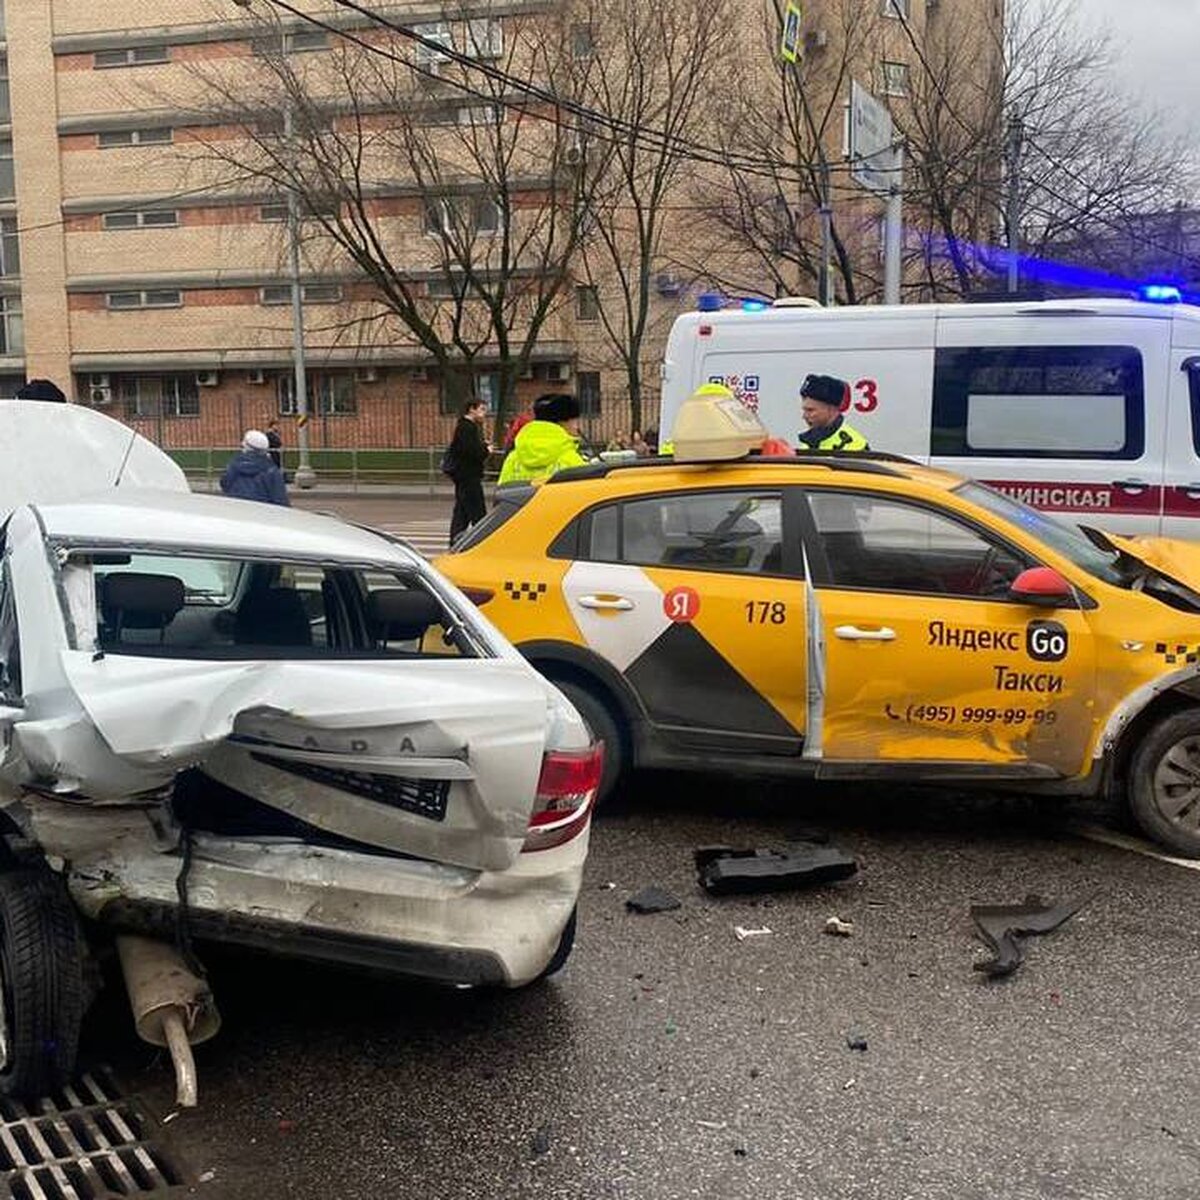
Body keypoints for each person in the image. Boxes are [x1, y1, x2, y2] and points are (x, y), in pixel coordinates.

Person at [497, 392, 587, 485]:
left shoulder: (514, 458)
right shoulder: (570, 461)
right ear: (564, 422)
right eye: (575, 421)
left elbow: (502, 492)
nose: (577, 427)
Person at [446, 399, 491, 542]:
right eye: (482, 409)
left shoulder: (465, 426)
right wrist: (486, 450)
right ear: (472, 409)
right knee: (477, 511)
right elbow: (470, 451)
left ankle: (456, 539)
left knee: (462, 511)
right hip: (468, 475)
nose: (484, 413)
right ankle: (482, 540)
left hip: (463, 475)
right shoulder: (468, 427)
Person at [796, 374, 869, 451]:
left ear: (832, 409)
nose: (804, 416)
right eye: (804, 410)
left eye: (810, 410)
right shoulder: (809, 441)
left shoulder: (855, 446)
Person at [220, 429, 290, 506]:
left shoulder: (233, 465)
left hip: (236, 510)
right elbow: (280, 499)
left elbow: (225, 485)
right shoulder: (271, 470)